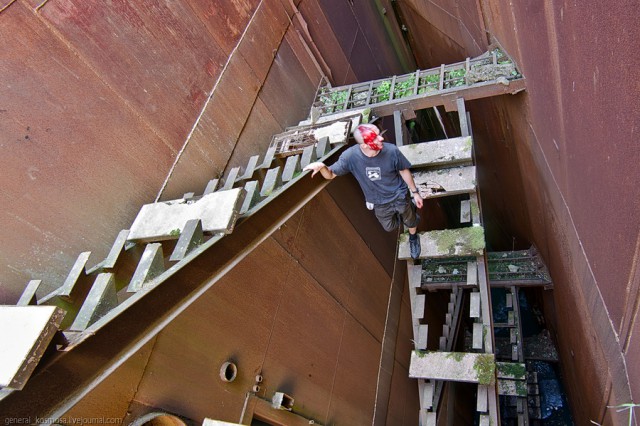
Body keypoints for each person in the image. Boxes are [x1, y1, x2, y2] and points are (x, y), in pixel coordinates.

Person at [303, 123, 423, 259]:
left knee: (410, 220)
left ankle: (413, 237)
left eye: (379, 135)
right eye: (375, 138)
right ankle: (408, 212)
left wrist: (415, 192)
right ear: (364, 145)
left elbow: (403, 170)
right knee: (389, 227)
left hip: (399, 194)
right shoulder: (351, 157)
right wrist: (322, 166)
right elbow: (330, 174)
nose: (381, 139)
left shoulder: (391, 151)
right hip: (379, 202)